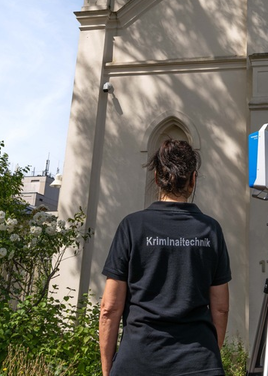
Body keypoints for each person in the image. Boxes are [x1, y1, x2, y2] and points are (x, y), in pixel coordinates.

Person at [99, 139, 231, 376]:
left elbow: (109, 308)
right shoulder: (210, 230)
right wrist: (209, 355)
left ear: (158, 178)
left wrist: (108, 370)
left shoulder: (132, 226)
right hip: (198, 361)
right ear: (193, 179)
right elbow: (220, 308)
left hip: (138, 361)